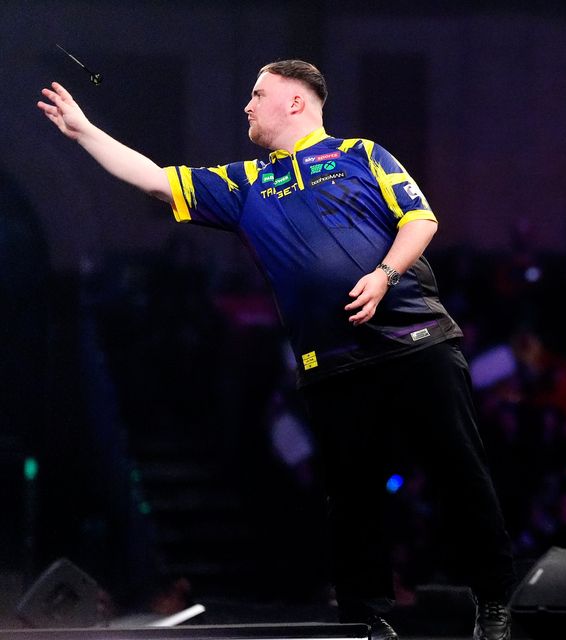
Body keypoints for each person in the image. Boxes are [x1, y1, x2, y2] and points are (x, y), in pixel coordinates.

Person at [37, 59, 514, 640]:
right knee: (351, 497)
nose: (247, 105)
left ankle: (495, 602)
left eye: (258, 94)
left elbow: (420, 220)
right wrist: (86, 132)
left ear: (295, 102)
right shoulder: (245, 185)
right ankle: (366, 620)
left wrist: (385, 275)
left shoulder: (362, 155)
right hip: (332, 363)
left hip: (415, 340)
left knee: (459, 472)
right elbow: (156, 179)